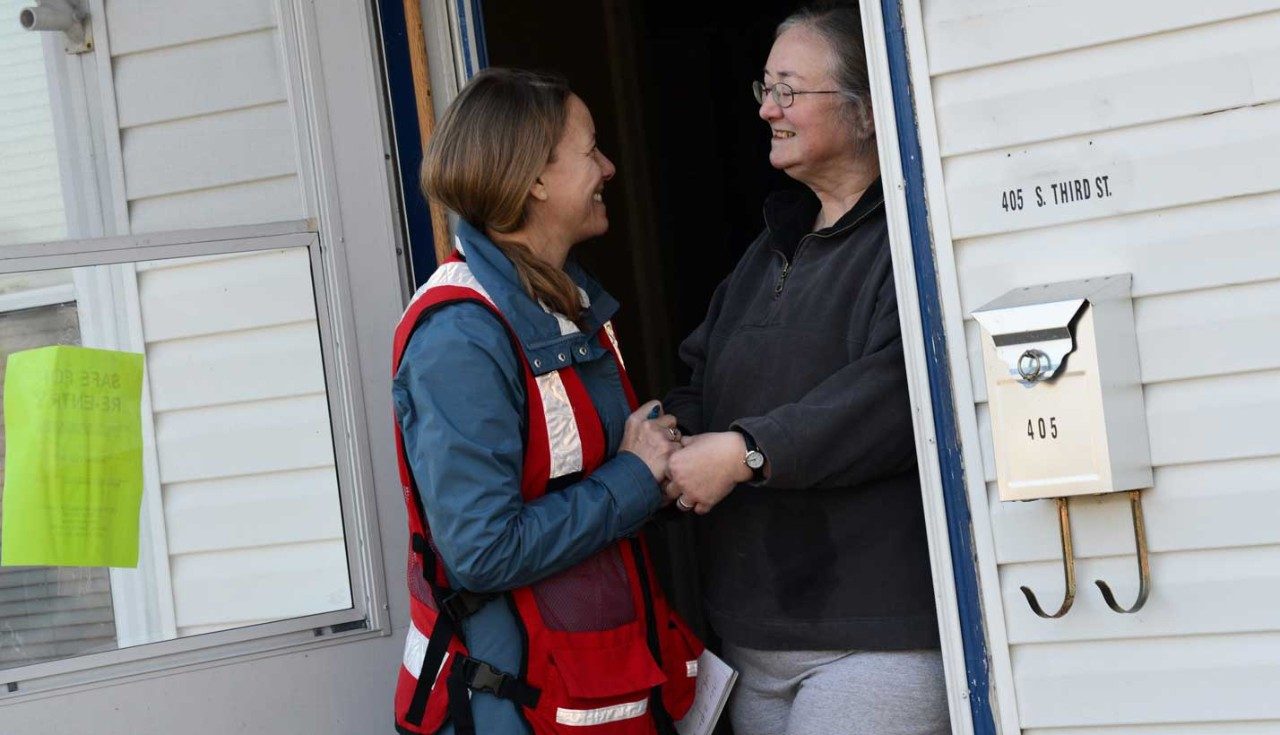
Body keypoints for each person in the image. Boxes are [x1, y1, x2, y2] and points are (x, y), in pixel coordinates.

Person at [662, 4, 950, 735]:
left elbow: (896, 390)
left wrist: (746, 451)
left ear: (865, 112)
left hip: (874, 636)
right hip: (753, 635)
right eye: (764, 87)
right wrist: (657, 446)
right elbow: (701, 380)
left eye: (789, 89)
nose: (767, 108)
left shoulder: (912, 237)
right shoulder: (769, 250)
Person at [391, 68, 702, 735]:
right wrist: (635, 477)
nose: (609, 167)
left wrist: (662, 473)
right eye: (590, 151)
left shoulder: (562, 301)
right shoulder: (460, 336)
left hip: (593, 695)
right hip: (516, 710)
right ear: (534, 178)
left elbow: (591, 481)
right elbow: (483, 549)